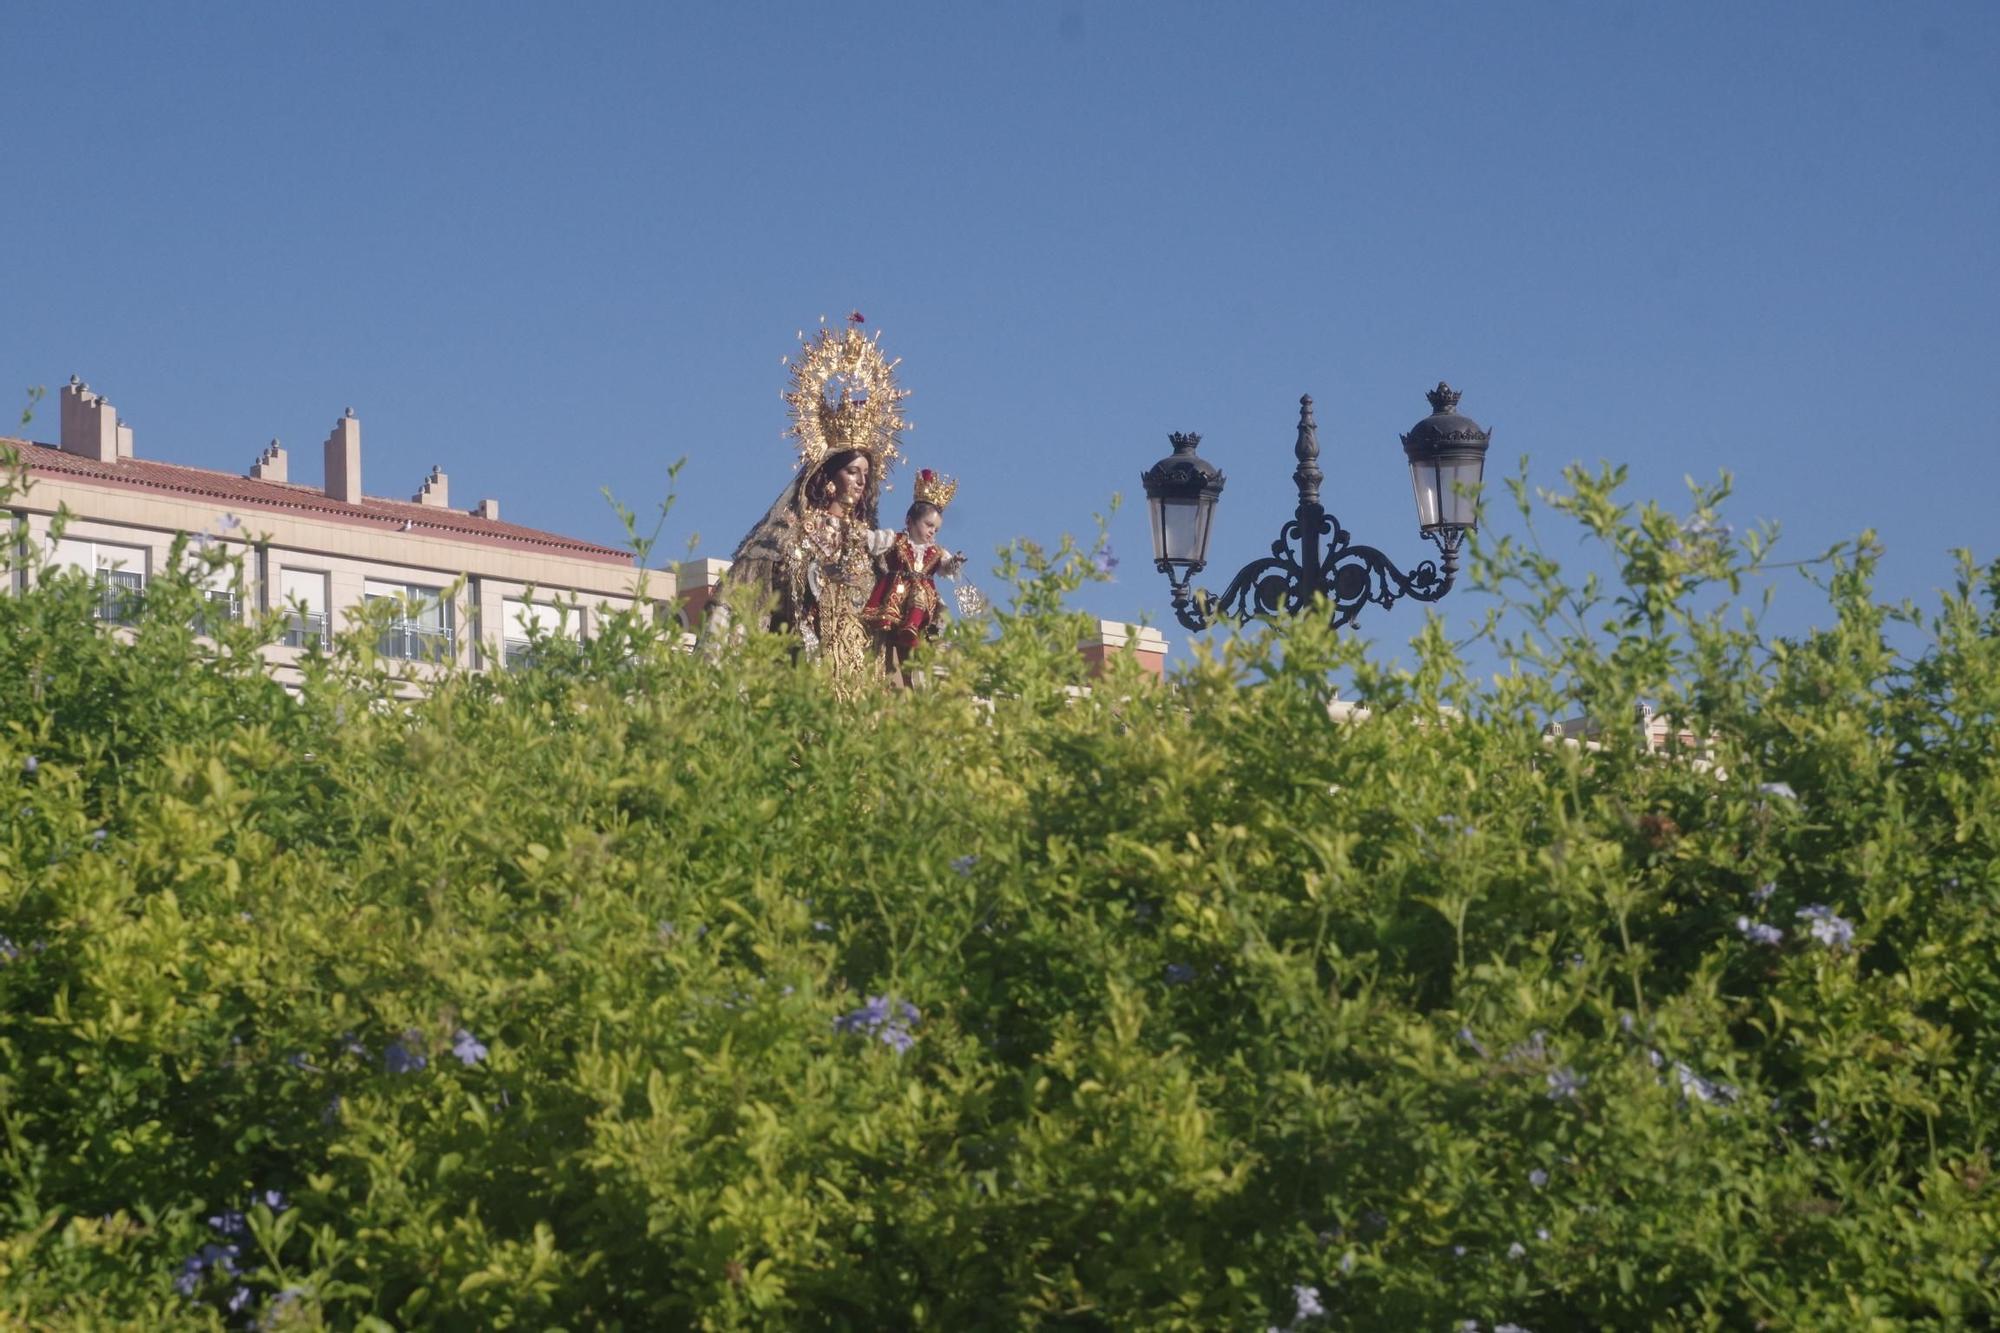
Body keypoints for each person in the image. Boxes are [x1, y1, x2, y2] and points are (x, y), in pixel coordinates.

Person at [863, 469, 967, 682]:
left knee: (920, 595)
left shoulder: (937, 552)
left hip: (922, 596)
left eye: (936, 530)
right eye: (928, 525)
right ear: (910, 521)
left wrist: (954, 563)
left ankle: (912, 631)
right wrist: (859, 534)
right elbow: (874, 541)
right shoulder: (897, 539)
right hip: (895, 593)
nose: (932, 532)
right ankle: (891, 660)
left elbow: (946, 566)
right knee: (887, 642)